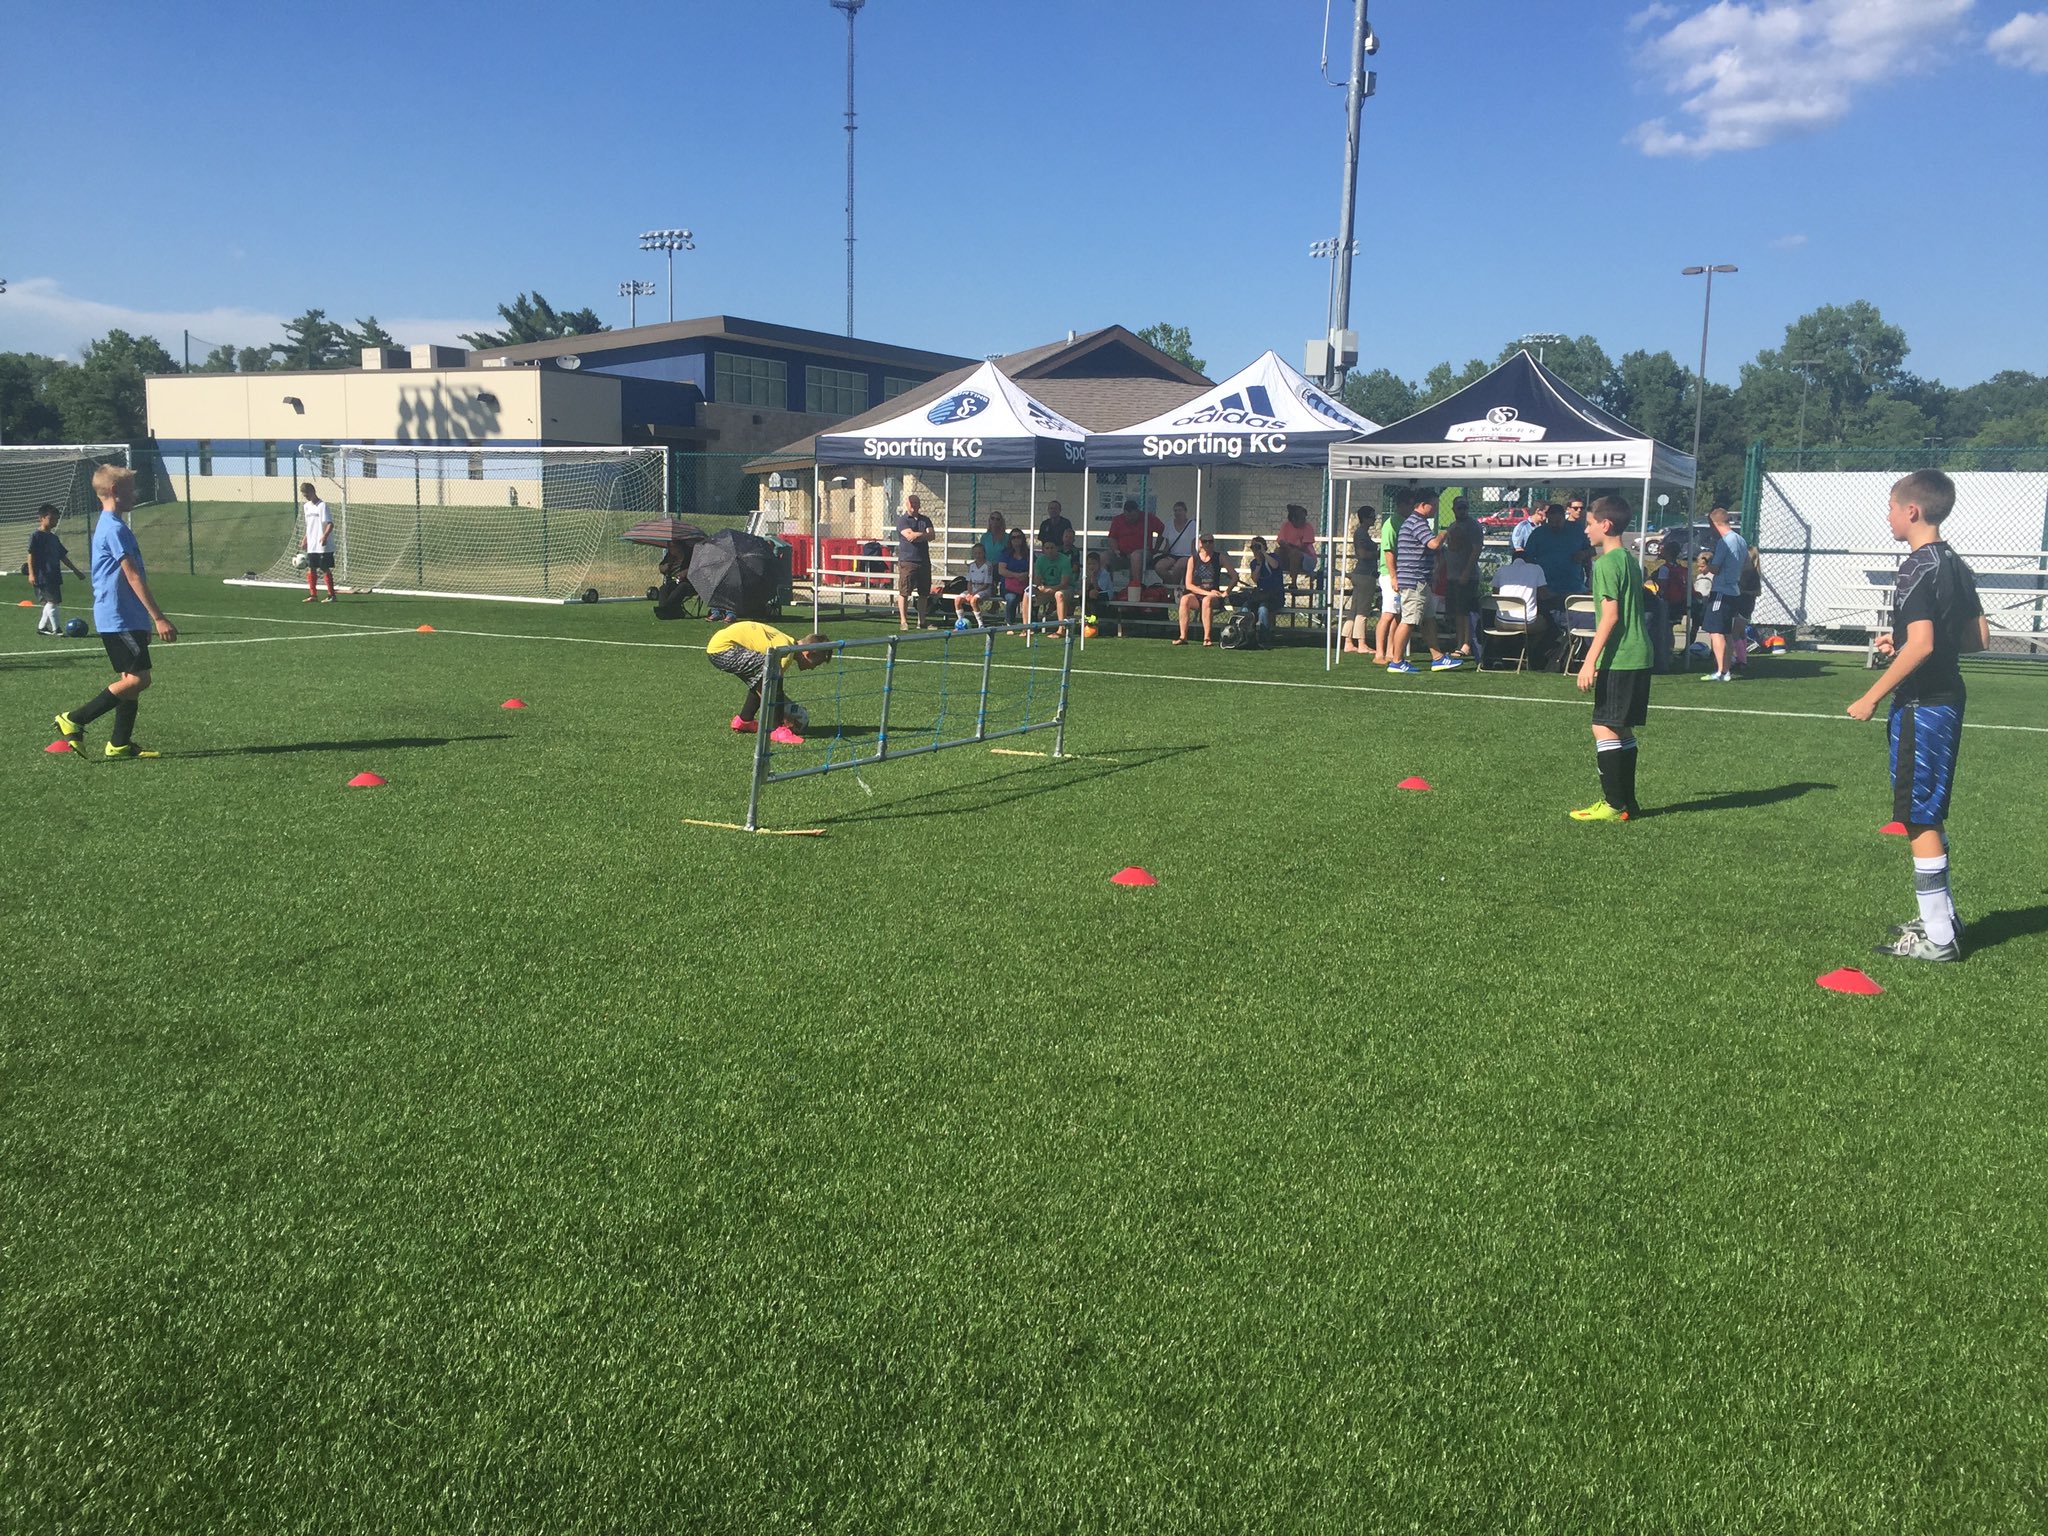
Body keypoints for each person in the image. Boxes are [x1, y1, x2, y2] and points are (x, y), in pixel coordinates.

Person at [1848, 470, 1987, 964]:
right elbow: (1976, 640)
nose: (1887, 515)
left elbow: (1924, 644)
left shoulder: (1915, 566)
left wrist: (1871, 695)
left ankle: (1939, 939)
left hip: (1920, 705)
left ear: (1912, 511)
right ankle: (1941, 919)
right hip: (1948, 697)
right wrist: (1903, 644)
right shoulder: (1955, 562)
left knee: (1918, 815)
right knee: (1927, 811)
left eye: (1890, 507)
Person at [52, 465, 177, 759]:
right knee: (138, 680)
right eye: (131, 489)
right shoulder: (115, 529)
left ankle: (119, 744)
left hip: (125, 616)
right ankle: (75, 718)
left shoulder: (112, 526)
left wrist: (142, 620)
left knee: (128, 679)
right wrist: (158, 617)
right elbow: (132, 576)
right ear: (115, 492)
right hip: (118, 615)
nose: (135, 494)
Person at [1570, 497, 1653, 822]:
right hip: (1639, 653)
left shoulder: (1605, 563)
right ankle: (1628, 803)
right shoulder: (1630, 560)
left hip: (1621, 656)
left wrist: (1589, 661)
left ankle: (1613, 802)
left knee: (1602, 727)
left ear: (1605, 525)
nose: (1586, 529)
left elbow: (1610, 616)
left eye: (1589, 523)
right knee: (1622, 729)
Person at [706, 619, 830, 744]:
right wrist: (785, 716)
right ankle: (776, 729)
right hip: (724, 649)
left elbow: (764, 688)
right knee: (772, 672)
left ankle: (744, 721)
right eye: (817, 663)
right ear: (809, 654)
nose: (813, 668)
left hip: (720, 647)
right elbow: (772, 690)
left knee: (762, 680)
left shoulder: (787, 643)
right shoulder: (785, 653)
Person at [1387, 489, 1460, 674]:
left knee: (1429, 620)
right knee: (1409, 621)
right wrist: (1445, 533)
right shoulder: (1417, 523)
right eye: (1433, 505)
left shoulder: (1413, 523)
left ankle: (1438, 658)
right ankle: (1396, 661)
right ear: (1422, 505)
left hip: (1421, 580)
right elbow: (1433, 544)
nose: (1435, 509)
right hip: (1414, 580)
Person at [1695, 505, 1747, 681]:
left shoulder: (1724, 541)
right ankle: (1727, 669)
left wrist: (1707, 566)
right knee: (1726, 632)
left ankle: (1721, 671)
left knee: (1715, 631)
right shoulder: (1741, 540)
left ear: (1714, 523)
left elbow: (1716, 568)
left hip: (1722, 590)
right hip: (1734, 590)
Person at [26, 503, 87, 636]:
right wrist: (31, 573)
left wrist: (76, 571)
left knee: (51, 602)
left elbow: (63, 557)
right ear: (41, 518)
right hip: (42, 575)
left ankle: (42, 627)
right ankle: (56, 629)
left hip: (53, 574)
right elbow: (31, 555)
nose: (54, 521)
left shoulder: (54, 538)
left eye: (56, 519)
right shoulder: (36, 536)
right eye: (51, 518)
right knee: (53, 601)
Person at [1439, 495, 1482, 660]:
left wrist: (1466, 572)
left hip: (1467, 577)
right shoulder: (1452, 526)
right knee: (1457, 611)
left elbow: (1476, 550)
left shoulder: (1473, 526)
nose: (1462, 510)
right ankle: (1459, 643)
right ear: (1454, 509)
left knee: (1465, 612)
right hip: (1452, 575)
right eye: (1459, 508)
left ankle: (1466, 644)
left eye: (1465, 507)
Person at [1524, 501, 1592, 596]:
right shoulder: (1538, 533)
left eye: (1558, 522)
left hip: (1573, 584)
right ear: (1547, 517)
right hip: (1546, 586)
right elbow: (1527, 557)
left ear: (1564, 517)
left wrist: (1583, 554)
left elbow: (1591, 550)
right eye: (1552, 522)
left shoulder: (1576, 530)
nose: (1555, 525)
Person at [1175, 531, 1229, 646]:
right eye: (1205, 541)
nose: (1208, 544)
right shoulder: (1193, 559)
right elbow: (1189, 585)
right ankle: (1183, 636)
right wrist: (1206, 593)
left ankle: (1207, 638)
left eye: (1211, 541)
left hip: (1213, 596)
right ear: (1200, 543)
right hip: (1197, 595)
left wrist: (1225, 592)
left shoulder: (1219, 557)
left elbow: (1234, 576)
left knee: (1207, 600)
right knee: (1185, 599)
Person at [1230, 536, 1286, 645]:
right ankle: (1243, 635)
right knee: (1246, 607)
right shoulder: (1254, 563)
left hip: (1274, 596)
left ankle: (1264, 638)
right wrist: (1259, 563)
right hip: (1260, 595)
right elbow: (1255, 579)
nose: (1254, 550)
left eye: (1257, 547)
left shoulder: (1273, 557)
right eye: (1253, 547)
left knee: (1262, 609)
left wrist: (1264, 553)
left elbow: (1275, 566)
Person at [1647, 536, 1688, 674]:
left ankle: (1666, 653)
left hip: (1668, 602)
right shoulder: (1682, 569)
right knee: (1671, 628)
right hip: (1679, 602)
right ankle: (1670, 653)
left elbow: (1663, 586)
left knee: (1666, 629)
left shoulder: (1665, 569)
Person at [893, 493, 934, 630]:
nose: (914, 505)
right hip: (908, 561)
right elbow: (909, 537)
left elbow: (932, 535)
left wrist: (918, 535)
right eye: (912, 503)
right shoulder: (902, 520)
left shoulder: (925, 520)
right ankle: (903, 621)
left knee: (924, 593)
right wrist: (923, 535)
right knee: (905, 591)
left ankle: (922, 621)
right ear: (907, 504)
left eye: (916, 503)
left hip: (924, 561)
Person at [1341, 505, 1378, 654]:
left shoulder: (1362, 533)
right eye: (1372, 516)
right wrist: (1379, 554)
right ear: (1366, 517)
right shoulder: (1361, 533)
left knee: (1354, 610)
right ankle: (1362, 643)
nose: (1374, 518)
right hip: (1364, 575)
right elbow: (1362, 554)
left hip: (1361, 574)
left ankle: (1348, 641)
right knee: (1362, 611)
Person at [1106, 498, 1163, 577]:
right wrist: (1115, 550)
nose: (1130, 518)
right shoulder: (1118, 520)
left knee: (1135, 556)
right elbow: (1112, 537)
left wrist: (1156, 549)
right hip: (1122, 554)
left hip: (1142, 553)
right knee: (1104, 557)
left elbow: (1162, 530)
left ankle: (1135, 585)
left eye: (1133, 515)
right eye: (1127, 516)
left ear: (1137, 512)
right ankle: (1105, 586)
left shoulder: (1148, 518)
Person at [1374, 502, 1401, 663]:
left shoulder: (1405, 521)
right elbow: (1388, 550)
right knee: (1388, 614)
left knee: (1398, 614)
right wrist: (1393, 576)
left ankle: (1391, 650)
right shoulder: (1390, 524)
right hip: (1389, 574)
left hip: (1400, 574)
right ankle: (1379, 653)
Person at [301, 481, 337, 602]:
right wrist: (305, 539)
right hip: (312, 544)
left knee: (324, 568)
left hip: (323, 545)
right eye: (304, 495)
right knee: (311, 568)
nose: (306, 497)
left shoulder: (322, 506)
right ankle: (313, 595)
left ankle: (331, 595)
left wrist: (325, 536)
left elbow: (330, 524)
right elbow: (309, 526)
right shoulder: (306, 507)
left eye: (307, 494)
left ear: (313, 492)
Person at [1028, 534, 1074, 627]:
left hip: (1065, 589)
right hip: (1046, 588)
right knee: (1028, 592)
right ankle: (1028, 627)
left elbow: (1064, 584)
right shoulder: (1040, 560)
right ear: (1043, 549)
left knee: (1059, 594)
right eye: (1047, 548)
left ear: (1057, 548)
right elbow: (1037, 579)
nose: (1049, 550)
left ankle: (1062, 628)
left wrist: (1050, 589)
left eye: (1052, 548)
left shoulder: (1064, 560)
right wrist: (1038, 584)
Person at [1275, 504, 1320, 591]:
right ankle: (1276, 582)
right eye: (1302, 518)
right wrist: (1290, 548)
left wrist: (1289, 547)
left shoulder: (1308, 527)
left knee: (1295, 554)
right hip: (1289, 556)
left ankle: (1293, 584)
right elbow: (1281, 541)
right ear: (1293, 519)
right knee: (1278, 552)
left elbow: (1303, 546)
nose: (1304, 520)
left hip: (1307, 559)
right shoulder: (1285, 526)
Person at [1153, 501, 1198, 586]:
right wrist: (1164, 554)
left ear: (1185, 511)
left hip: (1186, 555)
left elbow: (1193, 543)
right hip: (1172, 555)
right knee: (1159, 567)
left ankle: (1174, 588)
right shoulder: (1169, 524)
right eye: (1175, 510)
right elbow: (1167, 543)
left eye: (1180, 510)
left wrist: (1195, 557)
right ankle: (1171, 583)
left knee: (1178, 567)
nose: (1177, 512)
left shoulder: (1192, 524)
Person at [953, 541, 995, 628]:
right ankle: (961, 622)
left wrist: (973, 595)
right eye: (975, 553)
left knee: (973, 601)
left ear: (984, 553)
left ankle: (980, 624)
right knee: (957, 599)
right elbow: (969, 581)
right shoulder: (972, 565)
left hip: (984, 589)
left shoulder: (988, 566)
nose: (978, 555)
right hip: (973, 589)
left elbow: (986, 584)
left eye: (980, 553)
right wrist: (969, 593)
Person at [997, 528, 1031, 626]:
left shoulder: (1028, 553)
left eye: (1019, 537)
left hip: (1025, 585)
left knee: (1033, 597)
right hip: (1008, 587)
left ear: (1023, 539)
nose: (1016, 539)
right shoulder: (1005, 553)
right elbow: (1001, 570)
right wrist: (1016, 575)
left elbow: (1034, 569)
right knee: (1011, 598)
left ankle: (1031, 622)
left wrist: (1025, 575)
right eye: (1013, 537)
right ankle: (1009, 623)